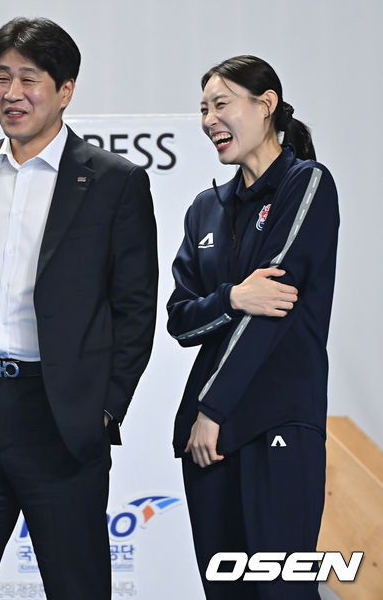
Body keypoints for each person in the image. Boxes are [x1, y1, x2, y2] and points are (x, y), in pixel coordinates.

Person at [0, 17, 158, 600]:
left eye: (29, 78)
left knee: (78, 587)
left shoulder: (114, 181)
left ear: (65, 90)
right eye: (2, 77)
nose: (12, 93)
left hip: (60, 418)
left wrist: (104, 408)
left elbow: (135, 309)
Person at [167, 55, 339, 599]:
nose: (209, 120)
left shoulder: (305, 183)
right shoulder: (205, 209)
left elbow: (276, 306)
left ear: (266, 105)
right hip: (207, 443)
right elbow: (180, 320)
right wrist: (234, 296)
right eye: (202, 109)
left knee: (282, 591)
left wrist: (212, 409)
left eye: (221, 104)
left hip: (275, 421)